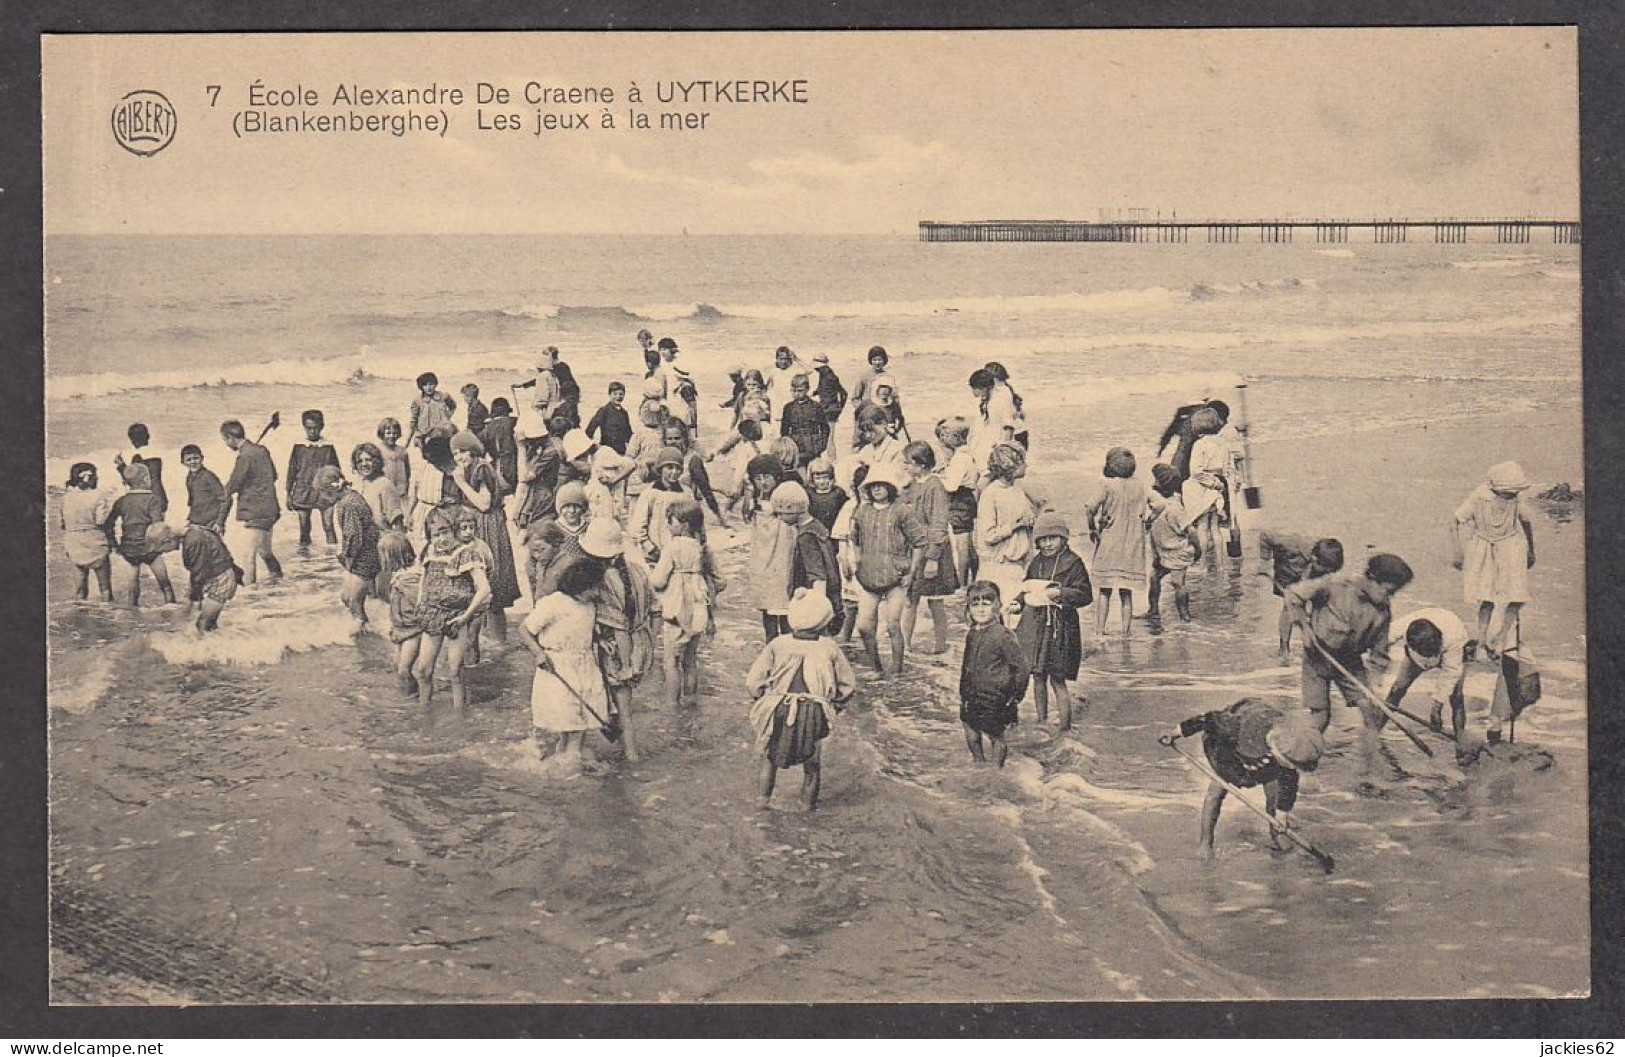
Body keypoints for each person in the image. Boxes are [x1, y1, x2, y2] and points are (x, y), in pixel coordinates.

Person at [1168, 699, 1325, 859]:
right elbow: (1207, 720)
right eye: (1290, 764)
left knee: (1275, 791)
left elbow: (1289, 785)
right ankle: (1205, 843)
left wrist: (1282, 816)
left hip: (1267, 745)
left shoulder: (1292, 743)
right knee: (1217, 790)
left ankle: (1276, 832)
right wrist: (1175, 733)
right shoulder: (1235, 726)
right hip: (1228, 750)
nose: (1293, 768)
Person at [747, 587, 856, 811]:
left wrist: (761, 698)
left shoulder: (778, 644)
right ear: (825, 622)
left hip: (778, 707)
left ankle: (762, 803)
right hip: (813, 710)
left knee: (770, 758)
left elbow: (754, 681)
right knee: (812, 764)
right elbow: (847, 685)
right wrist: (836, 705)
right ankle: (807, 808)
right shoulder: (829, 647)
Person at [1285, 554, 1413, 738]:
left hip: (1349, 662)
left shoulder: (1382, 613)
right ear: (1373, 579)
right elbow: (1293, 595)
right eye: (1388, 591)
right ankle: (1303, 752)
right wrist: (1304, 629)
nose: (1390, 597)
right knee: (1321, 716)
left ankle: (1371, 760)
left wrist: (1373, 686)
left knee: (1370, 711)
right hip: (1317, 658)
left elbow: (1379, 656)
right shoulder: (1336, 585)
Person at [389, 506, 490, 710]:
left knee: (455, 671)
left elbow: (484, 589)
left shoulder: (466, 553)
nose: (441, 539)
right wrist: (420, 603)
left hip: (456, 617)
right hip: (432, 614)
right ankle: (424, 711)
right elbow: (424, 577)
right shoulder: (428, 551)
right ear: (430, 536)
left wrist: (465, 617)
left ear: (454, 531)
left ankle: (459, 716)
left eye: (445, 532)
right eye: (436, 534)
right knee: (423, 670)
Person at [579, 518, 657, 762]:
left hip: (619, 651)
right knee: (622, 706)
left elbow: (619, 629)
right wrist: (648, 640)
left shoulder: (603, 582)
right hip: (641, 644)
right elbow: (656, 610)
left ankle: (631, 757)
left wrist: (625, 665)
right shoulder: (637, 570)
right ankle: (625, 753)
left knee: (622, 709)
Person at [522, 558, 610, 771]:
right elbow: (524, 631)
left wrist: (600, 642)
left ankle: (565, 760)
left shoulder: (589, 605)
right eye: (594, 587)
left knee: (581, 720)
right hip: (558, 665)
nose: (598, 592)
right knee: (570, 721)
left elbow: (582, 631)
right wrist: (538, 654)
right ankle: (570, 769)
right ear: (580, 586)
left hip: (584, 665)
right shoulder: (554, 603)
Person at [1014, 511, 1093, 729]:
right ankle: (1042, 722)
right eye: (1043, 539)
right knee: (1037, 676)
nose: (1048, 544)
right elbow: (1027, 587)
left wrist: (1061, 593)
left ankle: (1065, 728)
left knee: (1057, 679)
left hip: (1062, 629)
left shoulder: (1073, 563)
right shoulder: (1036, 562)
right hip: (1037, 626)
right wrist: (1018, 603)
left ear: (1063, 538)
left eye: (1053, 538)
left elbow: (1085, 595)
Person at [849, 462, 928, 675]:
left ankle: (897, 670)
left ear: (890, 488)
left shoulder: (901, 511)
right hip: (868, 576)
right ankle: (876, 667)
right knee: (865, 626)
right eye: (873, 485)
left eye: (882, 485)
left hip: (897, 576)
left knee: (893, 624)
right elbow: (854, 539)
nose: (877, 489)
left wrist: (911, 572)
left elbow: (920, 542)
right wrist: (856, 561)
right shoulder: (862, 511)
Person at [1452, 460, 1536, 659]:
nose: (1512, 496)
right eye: (1508, 493)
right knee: (1487, 597)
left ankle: (1500, 638)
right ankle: (1481, 642)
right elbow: (1455, 520)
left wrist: (1531, 550)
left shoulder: (1515, 498)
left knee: (1517, 596)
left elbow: (1525, 521)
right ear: (1496, 489)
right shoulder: (1478, 497)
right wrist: (1457, 551)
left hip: (1512, 546)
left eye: (1515, 493)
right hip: (1484, 547)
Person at [649, 499, 725, 709]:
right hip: (699, 609)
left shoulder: (672, 547)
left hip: (676, 611)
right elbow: (721, 581)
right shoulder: (703, 549)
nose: (668, 525)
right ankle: (690, 701)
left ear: (683, 524)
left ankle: (671, 706)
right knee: (690, 661)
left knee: (670, 662)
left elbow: (658, 580)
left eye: (670, 521)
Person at [960, 581, 1031, 767]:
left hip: (996, 697)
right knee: (970, 728)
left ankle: (996, 771)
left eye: (986, 603)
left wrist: (1015, 697)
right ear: (968, 608)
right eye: (975, 604)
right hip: (972, 694)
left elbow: (1022, 668)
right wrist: (963, 691)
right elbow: (966, 665)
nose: (981, 609)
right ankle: (979, 763)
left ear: (997, 605)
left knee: (996, 735)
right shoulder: (972, 633)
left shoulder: (1003, 635)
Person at [1385, 607, 1472, 758]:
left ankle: (1461, 744)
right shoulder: (1402, 626)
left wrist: (1436, 707)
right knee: (1396, 690)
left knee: (1456, 697)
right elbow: (1380, 641)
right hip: (1415, 657)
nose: (1431, 661)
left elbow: (1451, 673)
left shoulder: (1453, 637)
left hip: (1451, 653)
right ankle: (1373, 733)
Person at [898, 441, 958, 654]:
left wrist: (933, 558)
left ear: (921, 464)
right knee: (909, 599)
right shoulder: (913, 485)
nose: (904, 466)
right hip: (914, 549)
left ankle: (941, 644)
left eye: (908, 463)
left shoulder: (935, 486)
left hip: (933, 551)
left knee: (935, 601)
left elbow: (939, 523)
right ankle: (905, 645)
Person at [1087, 447, 1152, 638]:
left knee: (1105, 590)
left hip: (1110, 542)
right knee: (1126, 591)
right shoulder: (1140, 485)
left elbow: (1089, 508)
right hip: (1132, 544)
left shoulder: (1107, 485)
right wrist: (1147, 521)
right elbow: (1159, 504)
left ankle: (1100, 632)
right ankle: (1126, 632)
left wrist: (1091, 528)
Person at [1258, 531, 1344, 662]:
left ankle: (1316, 645)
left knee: (1321, 603)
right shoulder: (1289, 542)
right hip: (1287, 569)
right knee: (1288, 606)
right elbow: (1265, 536)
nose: (1328, 575)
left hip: (1308, 570)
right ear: (1315, 560)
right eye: (1326, 571)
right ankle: (1284, 648)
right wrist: (1264, 562)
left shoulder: (1328, 553)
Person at [313, 466, 380, 629]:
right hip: (364, 554)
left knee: (353, 600)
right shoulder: (352, 496)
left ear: (331, 490)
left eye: (322, 492)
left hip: (364, 557)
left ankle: (361, 633)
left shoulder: (347, 504)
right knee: (346, 597)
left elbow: (353, 536)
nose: (322, 498)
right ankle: (367, 628)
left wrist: (345, 555)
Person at [775, 480, 844, 639]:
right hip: (830, 597)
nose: (780, 518)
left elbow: (818, 575)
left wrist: (814, 612)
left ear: (793, 509)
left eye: (781, 513)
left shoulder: (806, 536)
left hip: (813, 602)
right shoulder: (816, 526)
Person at [146, 522, 241, 634]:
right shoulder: (193, 530)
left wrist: (195, 598)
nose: (166, 553)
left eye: (163, 550)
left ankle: (205, 648)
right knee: (209, 623)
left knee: (202, 624)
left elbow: (198, 572)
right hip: (218, 576)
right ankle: (220, 643)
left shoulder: (194, 540)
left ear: (168, 541)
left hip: (221, 580)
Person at [220, 419, 283, 585]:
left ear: (229, 438)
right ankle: (279, 582)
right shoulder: (261, 450)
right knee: (265, 552)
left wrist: (220, 496)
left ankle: (250, 600)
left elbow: (232, 486)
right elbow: (274, 476)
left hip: (255, 512)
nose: (226, 444)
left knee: (248, 556)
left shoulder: (244, 456)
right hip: (270, 509)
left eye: (225, 440)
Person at [105, 462, 177, 606]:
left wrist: (115, 545)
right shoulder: (152, 500)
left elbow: (108, 525)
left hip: (129, 550)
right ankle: (172, 612)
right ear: (146, 479)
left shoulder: (122, 501)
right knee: (165, 585)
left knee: (132, 590)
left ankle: (133, 618)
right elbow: (158, 526)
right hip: (150, 550)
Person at [975, 442, 1037, 608]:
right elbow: (987, 535)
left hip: (1018, 563)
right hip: (999, 566)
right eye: (1022, 462)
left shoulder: (1017, 488)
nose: (1026, 465)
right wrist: (1015, 526)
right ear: (1010, 466)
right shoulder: (991, 494)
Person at [745, 454, 797, 639]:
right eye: (758, 478)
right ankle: (771, 644)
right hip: (763, 557)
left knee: (784, 605)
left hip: (782, 554)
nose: (763, 482)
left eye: (767, 477)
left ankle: (787, 643)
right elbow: (747, 517)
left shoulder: (784, 497)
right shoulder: (755, 500)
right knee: (766, 605)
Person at [1146, 463, 1200, 633]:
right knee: (1154, 579)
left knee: (1178, 583)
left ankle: (1185, 616)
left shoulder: (1175, 508)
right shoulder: (1158, 502)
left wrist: (1198, 549)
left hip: (1177, 551)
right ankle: (1153, 610)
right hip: (1163, 550)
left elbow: (1191, 530)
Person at [1182, 407, 1238, 559]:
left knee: (1202, 528)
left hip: (1205, 488)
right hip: (1221, 487)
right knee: (1216, 528)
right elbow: (1230, 468)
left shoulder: (1199, 445)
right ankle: (1220, 563)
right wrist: (1227, 485)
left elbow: (1195, 471)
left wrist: (1212, 483)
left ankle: (1202, 563)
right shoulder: (1224, 443)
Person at [935, 417, 979, 587]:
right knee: (967, 545)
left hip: (959, 501)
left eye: (947, 435)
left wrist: (936, 478)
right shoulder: (964, 456)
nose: (943, 438)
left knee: (962, 546)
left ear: (958, 438)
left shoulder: (960, 459)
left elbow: (951, 486)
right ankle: (974, 576)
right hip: (966, 499)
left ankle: (961, 582)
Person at [60, 462, 113, 602]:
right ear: (89, 477)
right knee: (105, 588)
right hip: (95, 542)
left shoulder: (66, 497)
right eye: (96, 475)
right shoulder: (98, 496)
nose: (98, 478)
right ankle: (109, 618)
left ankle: (80, 619)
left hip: (73, 542)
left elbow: (64, 524)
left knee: (80, 590)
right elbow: (101, 521)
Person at [287, 410, 340, 547]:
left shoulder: (328, 447)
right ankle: (306, 562)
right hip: (303, 490)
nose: (312, 431)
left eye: (315, 428)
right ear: (304, 427)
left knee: (328, 526)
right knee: (304, 528)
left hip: (325, 492)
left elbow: (336, 470)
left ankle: (332, 559)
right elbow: (292, 471)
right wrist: (288, 493)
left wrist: (339, 489)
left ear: (321, 427)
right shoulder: (298, 447)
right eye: (308, 428)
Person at [529, 480, 591, 598]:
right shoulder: (553, 528)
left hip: (581, 580)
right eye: (567, 506)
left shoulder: (588, 528)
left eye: (576, 506)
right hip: (557, 578)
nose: (572, 511)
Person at [659, 420, 724, 524]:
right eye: (669, 439)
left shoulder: (692, 459)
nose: (673, 442)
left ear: (684, 438)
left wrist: (719, 517)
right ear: (664, 440)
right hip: (665, 508)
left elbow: (705, 489)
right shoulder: (661, 456)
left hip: (686, 507)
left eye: (677, 438)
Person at [779, 373, 830, 472]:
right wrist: (789, 446)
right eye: (794, 391)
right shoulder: (788, 408)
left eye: (800, 391)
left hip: (813, 446)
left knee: (814, 471)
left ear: (807, 389)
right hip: (796, 446)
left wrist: (821, 445)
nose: (797, 394)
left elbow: (825, 428)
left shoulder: (815, 406)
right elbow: (784, 430)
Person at [115, 422, 168, 517]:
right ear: (148, 436)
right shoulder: (155, 453)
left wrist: (121, 466)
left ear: (131, 439)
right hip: (158, 498)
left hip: (145, 500)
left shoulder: (139, 456)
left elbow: (134, 480)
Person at [351, 443, 406, 532]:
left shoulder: (385, 485)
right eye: (360, 461)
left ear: (376, 461)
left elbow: (397, 521)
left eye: (368, 460)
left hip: (381, 540)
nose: (364, 464)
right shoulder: (357, 484)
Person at [969, 368, 1018, 468]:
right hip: (986, 441)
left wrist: (1003, 449)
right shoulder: (988, 401)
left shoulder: (1000, 401)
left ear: (986, 387)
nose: (975, 394)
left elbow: (1008, 426)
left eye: (977, 389)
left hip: (995, 442)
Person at [513, 346, 565, 439]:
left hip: (545, 412)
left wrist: (535, 409)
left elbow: (542, 398)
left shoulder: (543, 376)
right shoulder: (552, 375)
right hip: (555, 408)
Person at [850, 345, 891, 450]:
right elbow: (855, 398)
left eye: (880, 359)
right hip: (865, 415)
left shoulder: (888, 377)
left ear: (884, 360)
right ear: (871, 361)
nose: (877, 362)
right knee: (862, 442)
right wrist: (864, 410)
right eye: (874, 359)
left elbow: (893, 397)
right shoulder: (864, 376)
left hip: (882, 415)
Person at [180, 444, 227, 534]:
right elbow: (193, 503)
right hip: (197, 523)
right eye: (189, 459)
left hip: (212, 523)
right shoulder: (189, 478)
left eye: (196, 458)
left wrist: (219, 522)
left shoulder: (208, 476)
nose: (193, 462)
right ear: (183, 462)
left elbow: (225, 499)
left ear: (202, 458)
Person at [808, 352, 847, 457]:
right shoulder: (826, 374)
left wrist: (839, 409)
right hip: (830, 408)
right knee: (828, 436)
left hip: (828, 409)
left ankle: (832, 460)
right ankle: (830, 459)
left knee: (828, 437)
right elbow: (840, 392)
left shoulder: (829, 376)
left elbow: (843, 394)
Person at [983, 362, 1029, 450]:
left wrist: (1003, 445)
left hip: (1015, 435)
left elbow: (1008, 424)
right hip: (1020, 433)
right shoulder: (1005, 390)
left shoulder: (1001, 393)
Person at [406, 372, 457, 450]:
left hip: (442, 432)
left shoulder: (443, 396)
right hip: (425, 434)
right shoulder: (417, 401)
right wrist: (408, 441)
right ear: (421, 387)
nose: (429, 387)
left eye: (431, 384)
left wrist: (447, 417)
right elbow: (413, 421)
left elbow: (453, 406)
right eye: (425, 385)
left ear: (435, 384)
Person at [479, 398, 519, 497]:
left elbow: (479, 451)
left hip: (501, 471)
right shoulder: (516, 422)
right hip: (520, 468)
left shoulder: (487, 430)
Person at [584, 381, 634, 456]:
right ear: (609, 395)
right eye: (615, 394)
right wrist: (591, 449)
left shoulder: (624, 413)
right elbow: (590, 430)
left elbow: (628, 434)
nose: (618, 397)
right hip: (606, 451)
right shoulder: (603, 411)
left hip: (621, 451)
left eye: (621, 394)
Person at [766, 345, 811, 426]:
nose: (783, 361)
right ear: (777, 359)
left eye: (786, 359)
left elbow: (809, 370)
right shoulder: (772, 371)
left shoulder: (793, 371)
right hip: (777, 411)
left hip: (791, 409)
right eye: (781, 359)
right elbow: (765, 389)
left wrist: (796, 359)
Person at [805, 456, 849, 534]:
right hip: (814, 531)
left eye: (825, 478)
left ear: (831, 478)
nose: (822, 482)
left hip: (833, 530)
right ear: (812, 479)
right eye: (817, 478)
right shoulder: (809, 493)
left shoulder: (838, 493)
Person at [376, 417, 412, 502]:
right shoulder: (378, 450)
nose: (392, 436)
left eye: (394, 433)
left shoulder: (402, 451)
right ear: (382, 434)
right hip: (384, 492)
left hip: (401, 492)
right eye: (388, 433)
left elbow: (407, 472)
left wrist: (405, 487)